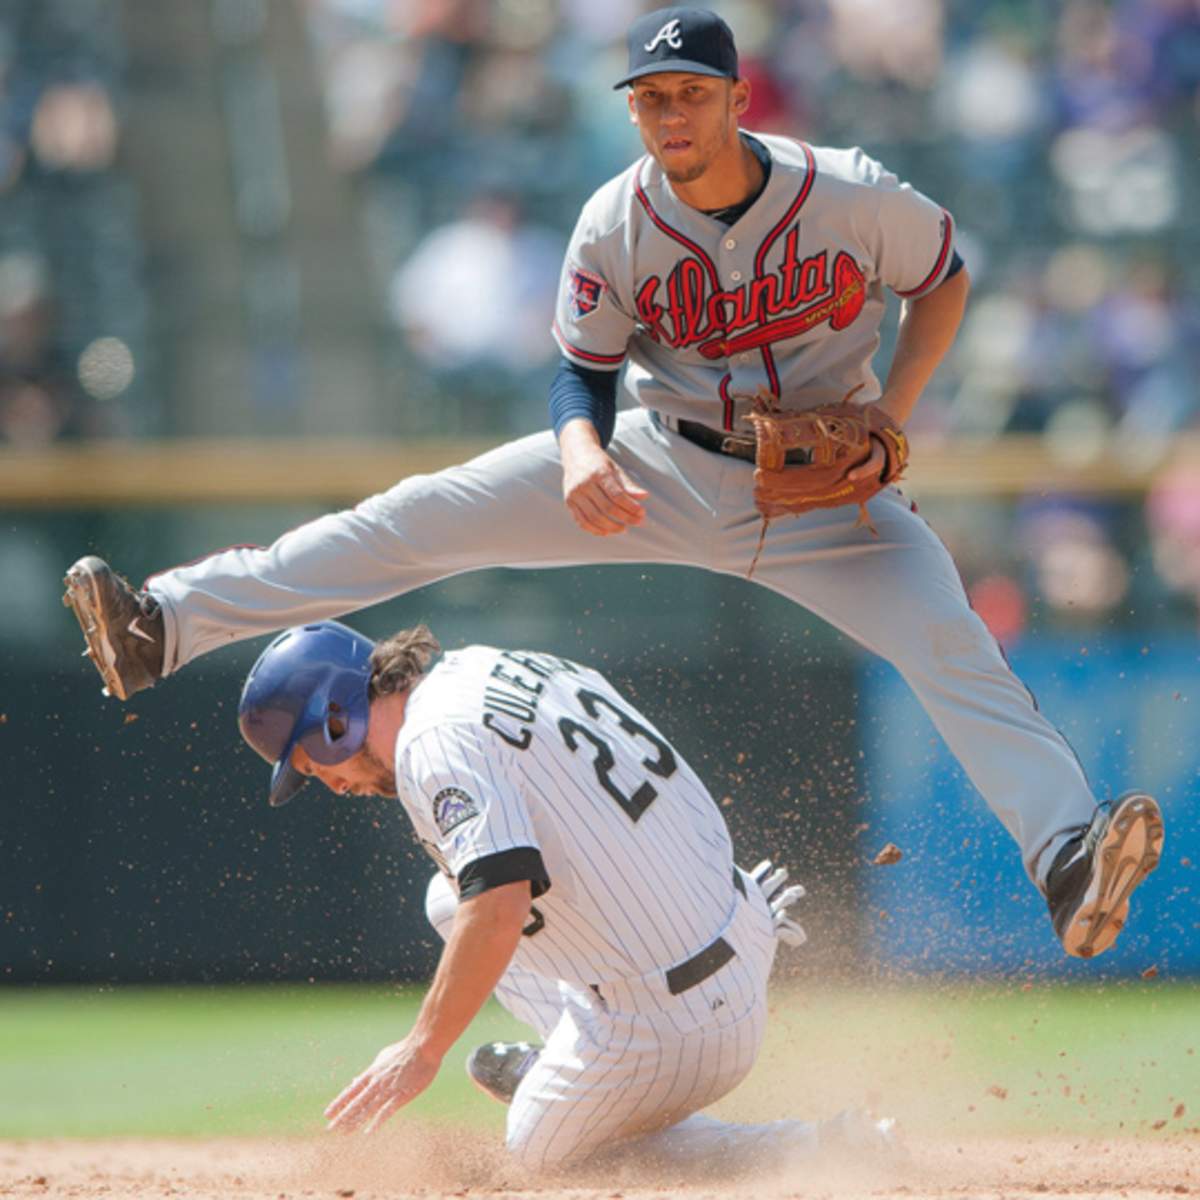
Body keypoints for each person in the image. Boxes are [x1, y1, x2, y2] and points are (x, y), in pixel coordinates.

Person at [63, 6, 1162, 961]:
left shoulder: (850, 193)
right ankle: (166, 625)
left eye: (689, 95)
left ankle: (1068, 858)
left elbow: (944, 280)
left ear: (736, 98)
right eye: (648, 101)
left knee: (951, 645)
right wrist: (584, 455)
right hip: (665, 461)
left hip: (836, 501)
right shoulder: (616, 220)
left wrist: (893, 418)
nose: (669, 117)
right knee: (413, 520)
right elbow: (580, 373)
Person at [236, 618, 886, 1174]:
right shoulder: (486, 666)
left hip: (681, 1025)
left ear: (335, 721)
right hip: (735, 919)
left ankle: (812, 1149)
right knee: (447, 895)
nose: (325, 782)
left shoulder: (430, 743)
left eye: (308, 765)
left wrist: (422, 1048)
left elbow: (499, 908)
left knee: (539, 1152)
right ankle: (578, 1067)